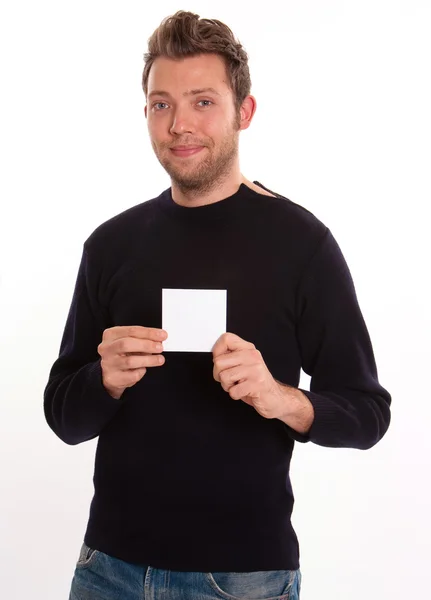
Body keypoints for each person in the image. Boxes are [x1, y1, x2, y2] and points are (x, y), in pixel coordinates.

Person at [44, 10, 392, 600]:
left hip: (242, 578)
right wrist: (101, 380)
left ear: (244, 112)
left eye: (203, 101)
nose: (180, 124)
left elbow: (368, 414)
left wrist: (279, 397)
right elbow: (62, 416)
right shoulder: (110, 244)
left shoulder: (302, 244)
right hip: (107, 568)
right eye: (162, 104)